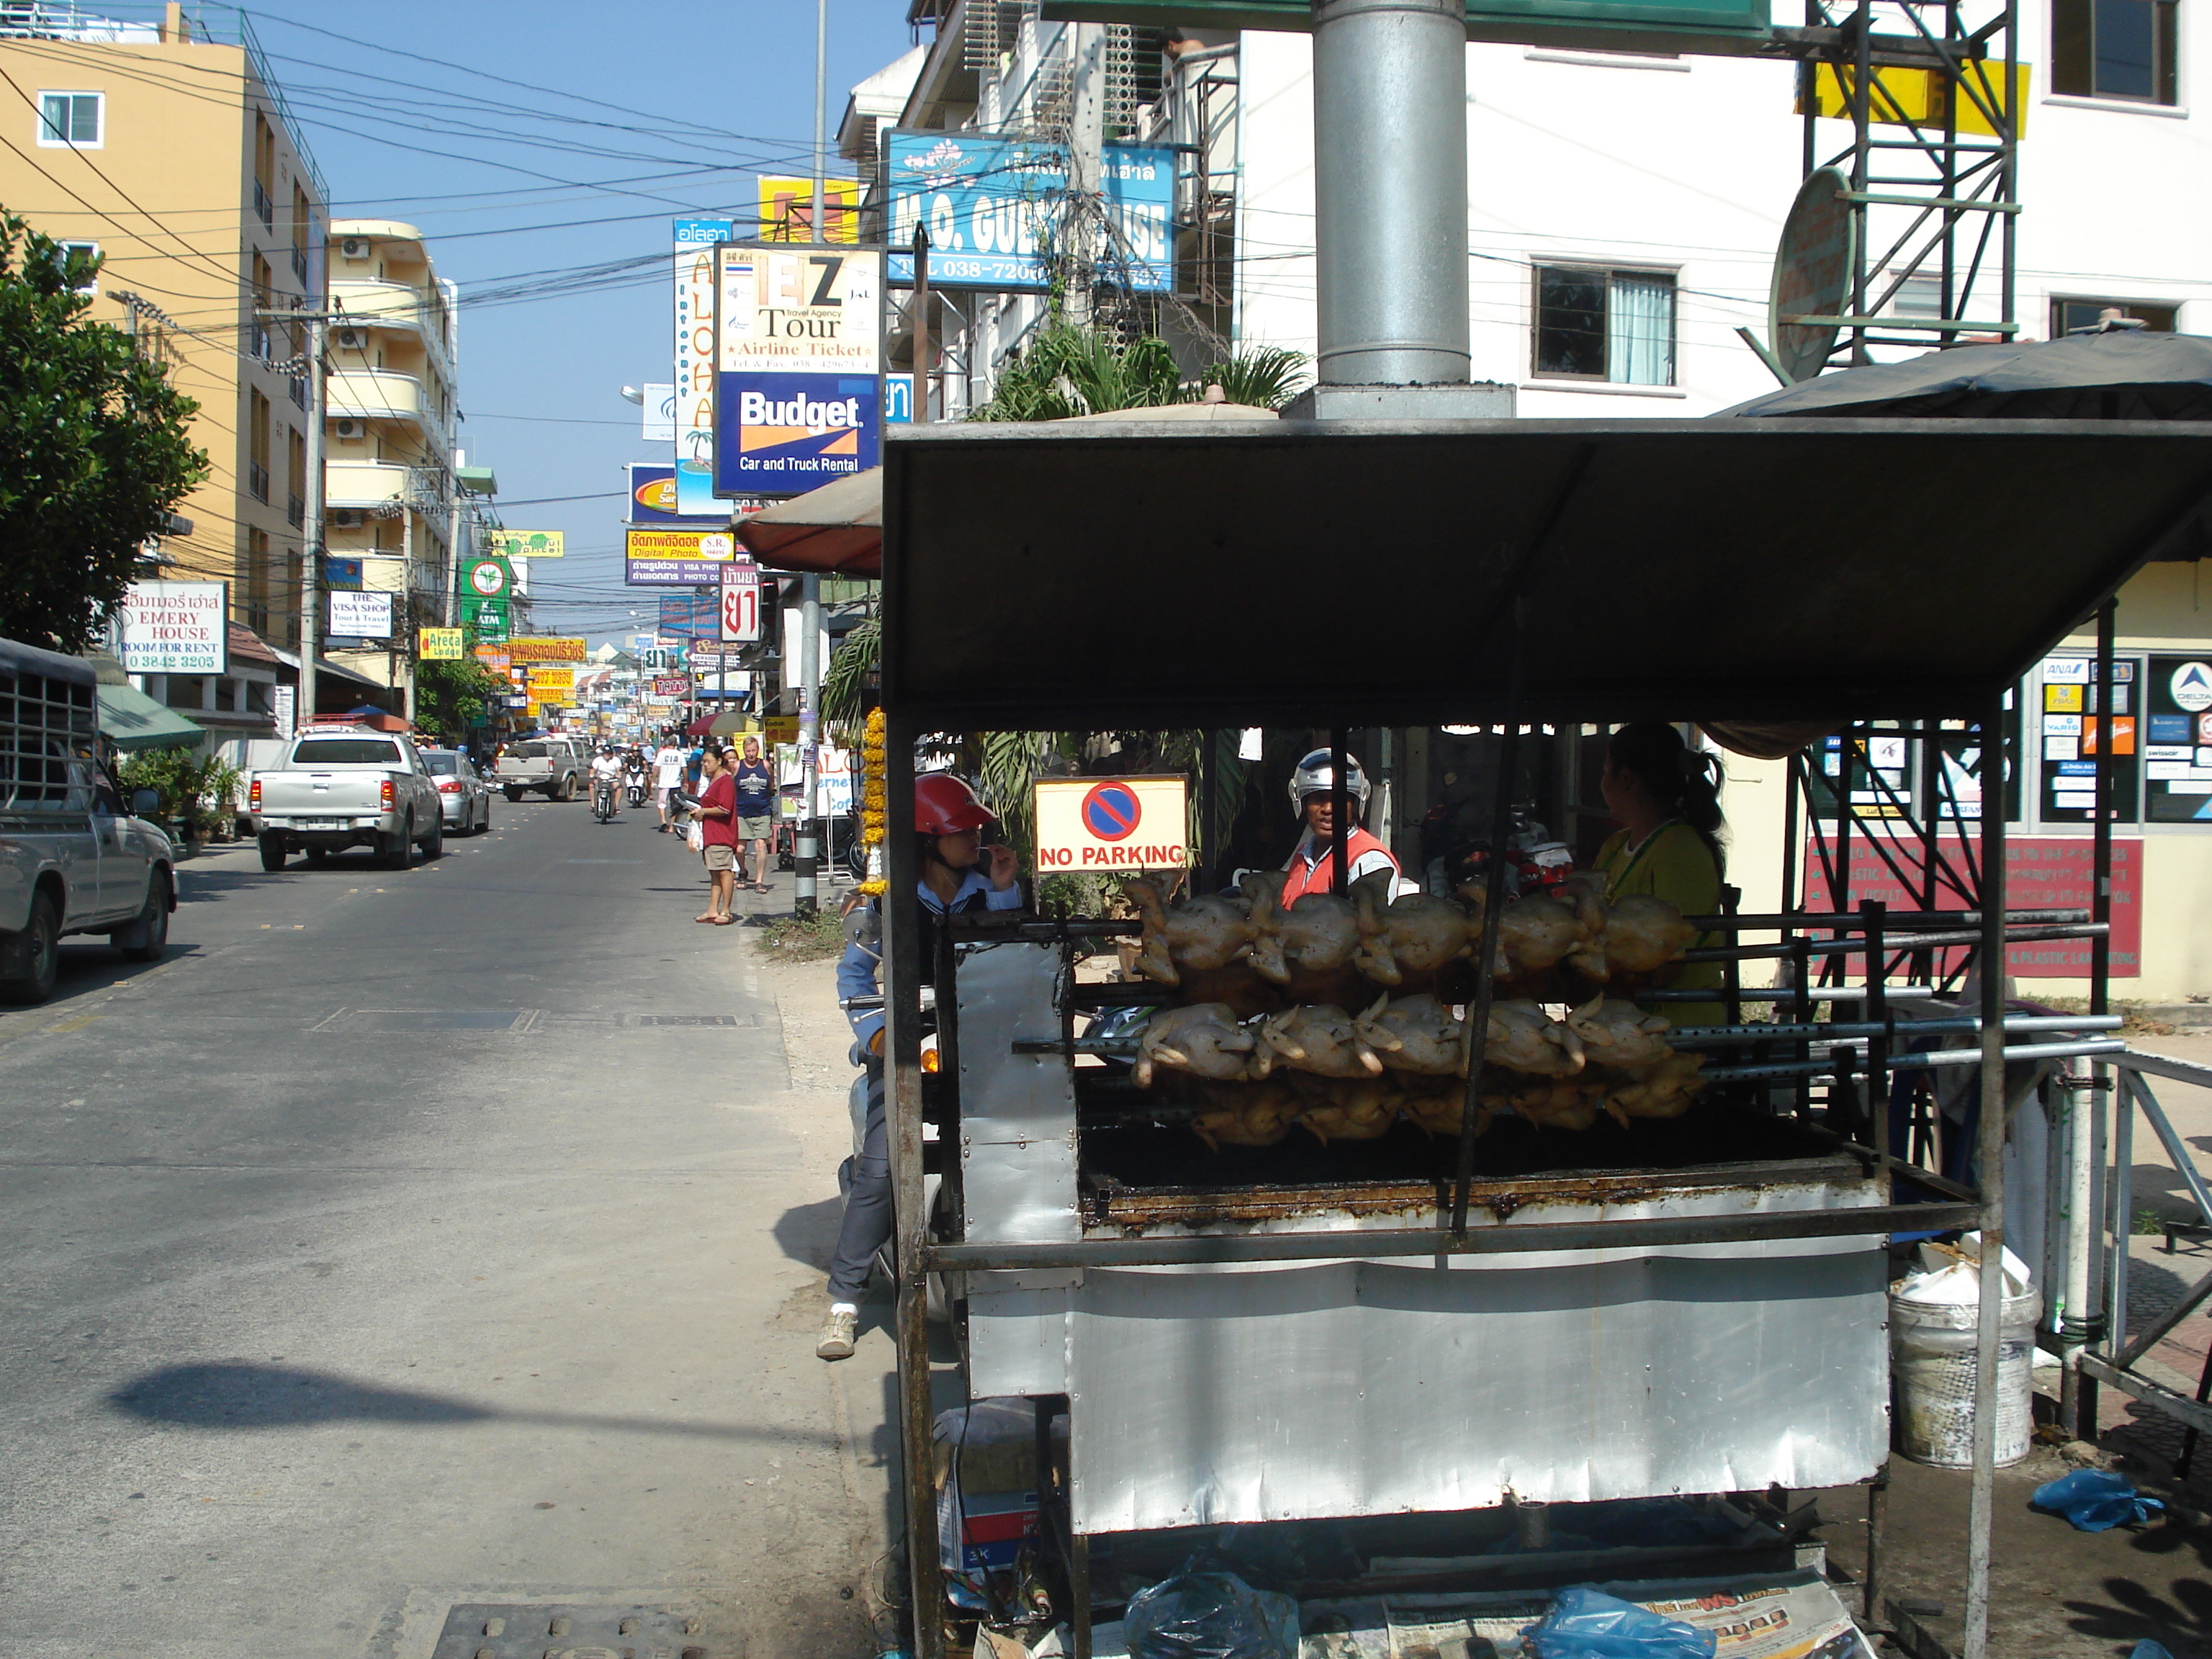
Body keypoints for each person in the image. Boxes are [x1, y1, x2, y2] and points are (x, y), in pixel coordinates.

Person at [820, 771, 1022, 1361]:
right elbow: (853, 978)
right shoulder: (882, 902)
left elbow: (1015, 958)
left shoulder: (993, 887)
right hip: (914, 1050)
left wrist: (1007, 890)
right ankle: (844, 1301)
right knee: (884, 1168)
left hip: (986, 1050)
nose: (977, 838)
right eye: (963, 832)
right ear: (929, 839)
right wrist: (879, 1034)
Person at [1592, 721, 1727, 1025]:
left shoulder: (1680, 850)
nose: (1601, 783)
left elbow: (1666, 959)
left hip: (1676, 1027)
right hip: (1624, 1025)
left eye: (1605, 772)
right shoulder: (1615, 846)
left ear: (1625, 778)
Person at [1279, 747, 1404, 904]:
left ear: (1355, 805)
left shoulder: (1369, 862)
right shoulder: (1303, 855)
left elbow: (1370, 924)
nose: (1328, 809)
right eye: (1319, 798)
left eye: (1339, 799)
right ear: (1303, 804)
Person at [692, 745, 739, 923]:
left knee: (725, 871)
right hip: (711, 833)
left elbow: (725, 808)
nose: (705, 765)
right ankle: (713, 909)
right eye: (704, 762)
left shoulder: (725, 781)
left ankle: (726, 910)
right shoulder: (714, 780)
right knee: (714, 872)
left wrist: (704, 812)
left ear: (719, 761)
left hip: (722, 834)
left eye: (709, 762)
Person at [731, 734, 775, 894]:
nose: (751, 754)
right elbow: (731, 786)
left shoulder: (765, 765)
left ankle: (760, 880)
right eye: (748, 751)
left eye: (754, 750)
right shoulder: (737, 766)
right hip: (742, 813)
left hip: (762, 812)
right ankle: (742, 872)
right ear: (744, 751)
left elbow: (771, 784)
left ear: (758, 750)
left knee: (761, 846)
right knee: (740, 849)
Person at [653, 737, 685, 832]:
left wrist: (653, 780)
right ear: (676, 744)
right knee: (675, 806)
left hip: (664, 783)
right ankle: (671, 826)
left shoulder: (662, 754)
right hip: (675, 784)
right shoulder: (680, 754)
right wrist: (686, 780)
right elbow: (684, 769)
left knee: (661, 803)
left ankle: (663, 821)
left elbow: (656, 768)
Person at [588, 745, 624, 815]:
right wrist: (592, 774)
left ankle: (615, 807)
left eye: (608, 753)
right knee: (591, 785)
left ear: (612, 754)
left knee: (619, 787)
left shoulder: (616, 760)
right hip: (600, 779)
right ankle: (593, 804)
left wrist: (619, 774)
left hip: (611, 780)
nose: (606, 755)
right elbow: (593, 769)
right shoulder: (598, 759)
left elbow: (619, 769)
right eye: (605, 753)